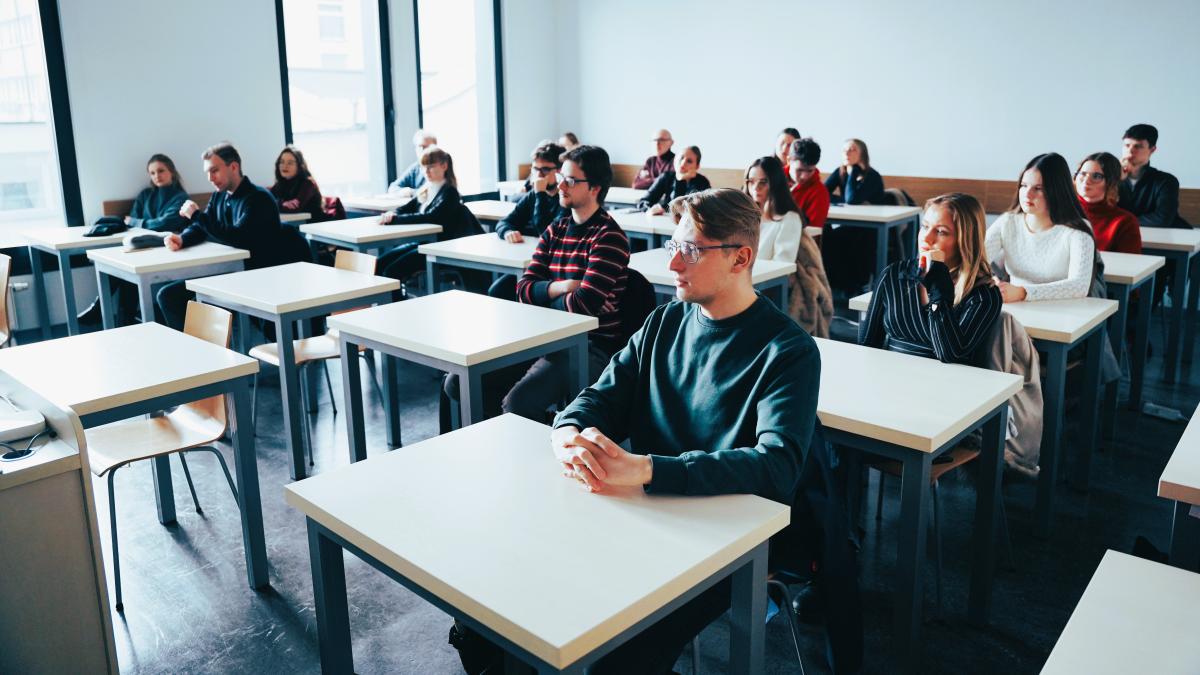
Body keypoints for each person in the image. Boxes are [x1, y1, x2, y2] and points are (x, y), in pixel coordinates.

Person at [550, 188, 822, 673]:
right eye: (675, 246)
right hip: (648, 516)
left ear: (741, 258)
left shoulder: (789, 351)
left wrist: (650, 470)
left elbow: (776, 466)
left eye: (690, 250)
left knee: (608, 660)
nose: (673, 264)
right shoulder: (664, 322)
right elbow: (602, 396)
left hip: (726, 538)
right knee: (509, 621)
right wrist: (567, 432)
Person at [439, 145, 630, 431]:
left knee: (518, 404)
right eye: (561, 177)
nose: (560, 185)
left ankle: (535, 447)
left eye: (571, 180)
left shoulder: (609, 237)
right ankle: (510, 441)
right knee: (459, 384)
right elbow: (523, 289)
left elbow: (582, 306)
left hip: (590, 344)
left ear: (595, 188)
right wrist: (560, 287)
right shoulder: (555, 229)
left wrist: (542, 294)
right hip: (541, 335)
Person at [155, 142, 288, 329]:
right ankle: (194, 350)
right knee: (165, 295)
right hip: (227, 271)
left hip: (254, 276)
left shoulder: (258, 198)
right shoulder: (220, 195)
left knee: (170, 297)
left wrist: (196, 215)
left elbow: (238, 238)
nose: (210, 178)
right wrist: (183, 238)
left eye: (214, 170)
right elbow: (204, 226)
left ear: (234, 167)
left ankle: (200, 350)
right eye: (207, 173)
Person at [860, 193, 1003, 363]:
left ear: (964, 240)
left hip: (947, 385)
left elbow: (950, 354)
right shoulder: (893, 275)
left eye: (941, 232)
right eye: (925, 226)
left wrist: (938, 289)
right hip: (891, 379)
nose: (926, 238)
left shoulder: (984, 295)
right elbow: (867, 345)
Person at [985, 153, 1095, 303]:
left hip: (1064, 312)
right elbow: (977, 262)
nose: (1027, 194)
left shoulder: (1077, 231)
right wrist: (991, 281)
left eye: (1038, 188)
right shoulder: (1008, 221)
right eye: (1024, 186)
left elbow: (1079, 286)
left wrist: (1023, 293)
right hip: (1015, 308)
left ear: (1056, 192)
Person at [745, 156, 833, 337]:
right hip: (743, 283)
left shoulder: (788, 218)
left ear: (775, 183)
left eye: (763, 182)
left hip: (765, 289)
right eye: (751, 181)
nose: (755, 188)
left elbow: (781, 267)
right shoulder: (746, 216)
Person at [377, 146, 483, 286]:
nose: (426, 171)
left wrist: (396, 220)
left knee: (391, 271)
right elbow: (406, 208)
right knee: (379, 263)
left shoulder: (450, 193)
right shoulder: (426, 190)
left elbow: (430, 217)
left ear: (444, 166)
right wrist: (393, 213)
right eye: (423, 167)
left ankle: (397, 304)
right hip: (422, 242)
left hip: (438, 247)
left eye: (431, 167)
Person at [1118, 123, 1190, 229]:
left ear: (1152, 150)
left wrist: (1125, 222)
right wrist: (1115, 176)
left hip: (1167, 239)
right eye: (1127, 145)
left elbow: (1163, 218)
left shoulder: (1166, 181)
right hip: (1126, 235)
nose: (1130, 151)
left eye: (1138, 146)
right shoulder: (1112, 178)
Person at [495, 141, 568, 243]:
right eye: (535, 169)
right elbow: (504, 222)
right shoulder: (534, 195)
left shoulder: (567, 197)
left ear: (560, 170)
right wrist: (508, 232)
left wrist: (540, 194)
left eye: (545, 169)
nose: (538, 175)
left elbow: (546, 233)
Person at [1075, 152, 1141, 254]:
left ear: (1110, 182)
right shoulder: (1060, 212)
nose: (1086, 181)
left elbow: (1129, 265)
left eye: (1096, 176)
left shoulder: (1125, 222)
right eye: (1083, 174)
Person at [635, 145, 710, 214]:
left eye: (689, 161)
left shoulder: (702, 182)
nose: (683, 163)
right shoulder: (666, 177)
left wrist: (680, 180)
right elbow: (643, 202)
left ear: (697, 166)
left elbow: (681, 209)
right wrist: (649, 210)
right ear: (674, 160)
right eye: (681, 158)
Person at [126, 154, 188, 232]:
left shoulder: (181, 198)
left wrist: (137, 222)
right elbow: (132, 221)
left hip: (170, 240)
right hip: (142, 239)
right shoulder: (144, 195)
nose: (157, 176)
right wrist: (134, 222)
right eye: (152, 173)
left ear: (172, 172)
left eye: (161, 171)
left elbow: (166, 224)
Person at [270, 145, 324, 222]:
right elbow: (265, 202)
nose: (285, 166)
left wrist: (279, 204)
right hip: (295, 226)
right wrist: (282, 204)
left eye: (290, 163)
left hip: (312, 229)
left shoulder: (308, 183)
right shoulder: (280, 184)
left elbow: (294, 209)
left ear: (299, 166)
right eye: (281, 162)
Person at [825, 138, 884, 205]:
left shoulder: (872, 175)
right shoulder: (841, 171)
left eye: (852, 150)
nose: (846, 153)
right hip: (849, 213)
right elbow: (821, 194)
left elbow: (852, 200)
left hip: (872, 214)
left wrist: (853, 171)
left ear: (862, 154)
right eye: (844, 150)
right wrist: (844, 199)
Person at [788, 137, 830, 230]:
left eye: (810, 171)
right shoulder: (773, 180)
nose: (804, 176)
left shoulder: (819, 192)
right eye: (799, 170)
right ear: (789, 160)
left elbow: (813, 232)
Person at [388, 129, 437, 193]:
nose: (422, 150)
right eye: (419, 147)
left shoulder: (439, 167)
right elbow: (393, 187)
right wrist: (406, 191)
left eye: (426, 147)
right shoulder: (415, 168)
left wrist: (411, 192)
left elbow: (433, 191)